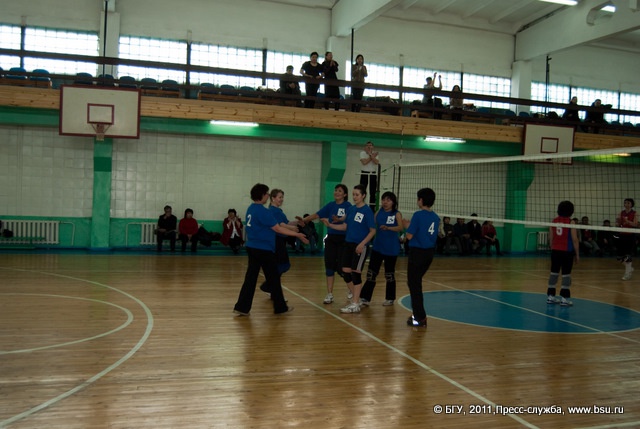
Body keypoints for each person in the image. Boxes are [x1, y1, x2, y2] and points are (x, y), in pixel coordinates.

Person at [233, 183, 308, 316]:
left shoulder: (251, 208)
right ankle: (280, 308)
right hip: (264, 249)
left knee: (250, 279)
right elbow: (278, 228)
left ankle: (242, 307)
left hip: (252, 247)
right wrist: (297, 235)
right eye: (267, 193)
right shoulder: (263, 211)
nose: (268, 195)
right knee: (274, 278)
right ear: (262, 195)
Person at [322, 184, 376, 314]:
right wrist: (330, 225)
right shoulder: (351, 209)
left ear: (363, 195)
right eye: (353, 195)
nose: (355, 197)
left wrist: (362, 244)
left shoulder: (367, 211)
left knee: (355, 273)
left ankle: (355, 303)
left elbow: (373, 231)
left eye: (357, 195)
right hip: (348, 244)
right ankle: (357, 298)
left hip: (360, 246)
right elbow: (345, 226)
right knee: (345, 272)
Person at [297, 184, 352, 304]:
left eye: (340, 191)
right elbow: (317, 215)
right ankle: (329, 294)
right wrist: (304, 220)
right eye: (336, 190)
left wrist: (338, 220)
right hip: (331, 239)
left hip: (343, 240)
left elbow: (347, 220)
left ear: (345, 194)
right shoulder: (330, 205)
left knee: (342, 268)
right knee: (329, 266)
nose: (337, 192)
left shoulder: (348, 206)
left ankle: (352, 289)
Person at [402, 188, 439, 327]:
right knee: (414, 283)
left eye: (418, 198)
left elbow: (409, 235)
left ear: (421, 200)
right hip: (429, 254)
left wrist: (406, 226)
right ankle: (417, 315)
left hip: (417, 253)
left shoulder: (418, 215)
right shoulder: (435, 217)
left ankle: (420, 317)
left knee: (414, 285)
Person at [360, 191, 404, 307]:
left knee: (389, 274)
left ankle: (390, 298)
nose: (385, 202)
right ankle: (365, 298)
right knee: (371, 273)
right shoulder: (379, 212)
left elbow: (400, 227)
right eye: (383, 200)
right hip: (378, 247)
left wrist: (389, 228)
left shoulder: (396, 214)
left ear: (393, 202)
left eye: (388, 200)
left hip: (391, 248)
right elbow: (372, 223)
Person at [259, 189, 300, 296]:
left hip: (279, 240)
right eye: (279, 197)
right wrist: (293, 229)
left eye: (282, 197)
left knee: (280, 265)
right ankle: (269, 286)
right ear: (273, 198)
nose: (281, 199)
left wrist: (299, 221)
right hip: (276, 241)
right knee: (282, 265)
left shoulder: (278, 211)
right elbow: (281, 225)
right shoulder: (273, 211)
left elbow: (286, 223)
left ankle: (271, 288)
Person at [546, 200, 579, 306]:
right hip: (567, 252)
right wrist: (577, 254)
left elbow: (550, 237)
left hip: (555, 251)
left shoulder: (554, 221)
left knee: (554, 273)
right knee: (566, 274)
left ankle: (550, 296)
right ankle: (564, 299)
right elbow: (574, 239)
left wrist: (552, 248)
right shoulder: (571, 222)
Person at [615, 198, 638, 280]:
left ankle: (627, 274)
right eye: (625, 203)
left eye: (628, 203)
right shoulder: (621, 213)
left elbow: (635, 224)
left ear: (631, 204)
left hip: (630, 235)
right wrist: (618, 222)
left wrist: (628, 222)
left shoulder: (635, 213)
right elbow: (618, 224)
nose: (626, 204)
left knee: (627, 256)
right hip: (622, 235)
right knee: (619, 257)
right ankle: (630, 268)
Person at [359, 141, 380, 210]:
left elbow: (376, 162)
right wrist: (372, 156)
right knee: (362, 190)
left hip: (373, 173)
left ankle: (372, 208)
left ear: (373, 147)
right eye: (367, 145)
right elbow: (364, 162)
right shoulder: (362, 153)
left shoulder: (375, 153)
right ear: (365, 146)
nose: (369, 146)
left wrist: (371, 155)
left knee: (373, 191)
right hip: (364, 173)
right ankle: (361, 205)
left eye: (370, 145)